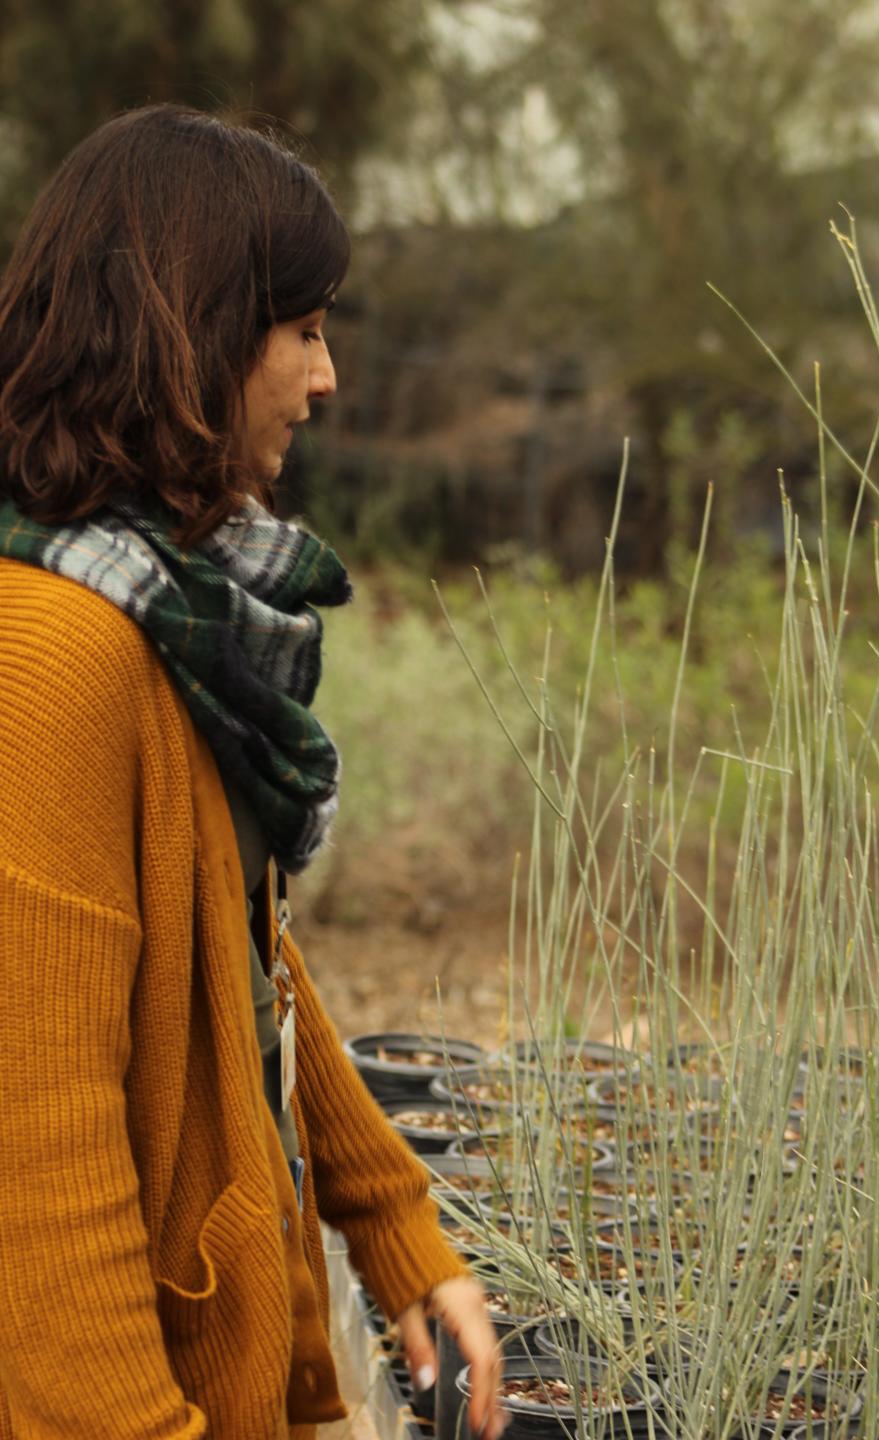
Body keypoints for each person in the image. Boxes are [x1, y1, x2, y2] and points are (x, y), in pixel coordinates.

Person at [0, 104, 502, 1439]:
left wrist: (390, 1218)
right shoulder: (53, 658)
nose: (325, 380)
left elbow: (241, 951)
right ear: (195, 331)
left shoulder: (163, 610)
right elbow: (36, 1170)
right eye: (306, 328)